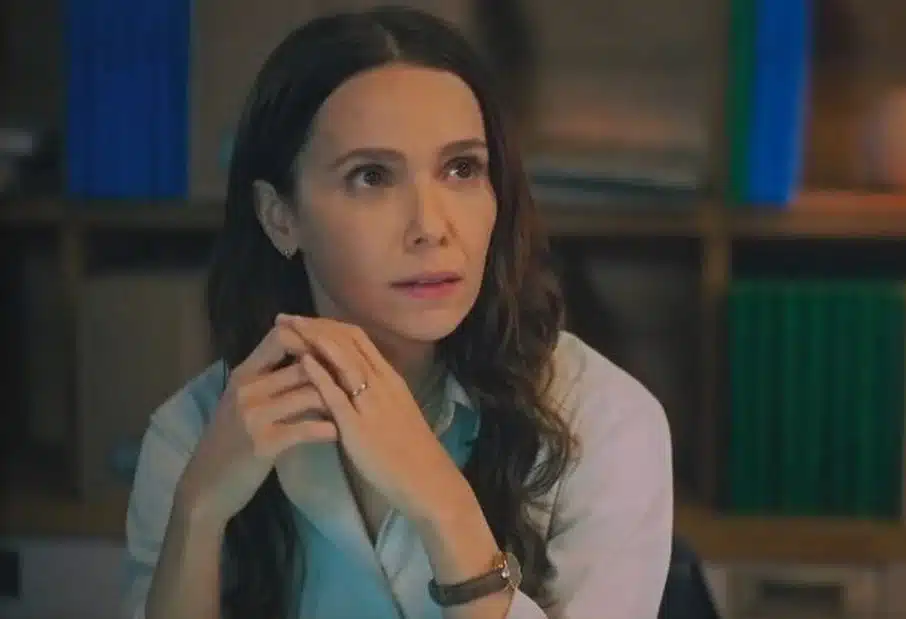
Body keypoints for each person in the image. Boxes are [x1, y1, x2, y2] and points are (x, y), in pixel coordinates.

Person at [123, 6, 673, 619]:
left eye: (462, 169)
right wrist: (198, 513)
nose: (431, 227)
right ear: (281, 217)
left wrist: (442, 504)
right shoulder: (196, 433)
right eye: (371, 177)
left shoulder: (602, 422)